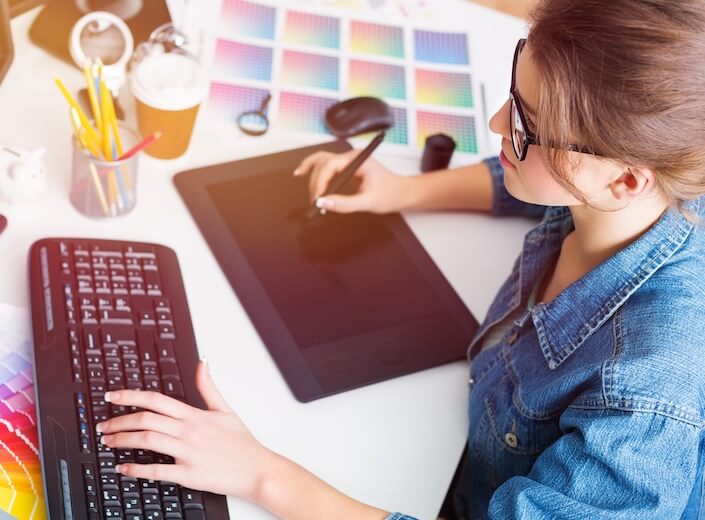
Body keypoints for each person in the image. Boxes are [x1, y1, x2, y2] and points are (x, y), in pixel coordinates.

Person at [93, 0, 705, 518]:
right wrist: (404, 191)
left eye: (524, 125)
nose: (496, 123)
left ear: (628, 180)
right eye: (514, 96)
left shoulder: (644, 398)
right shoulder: (621, 189)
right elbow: (542, 177)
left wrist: (262, 476)